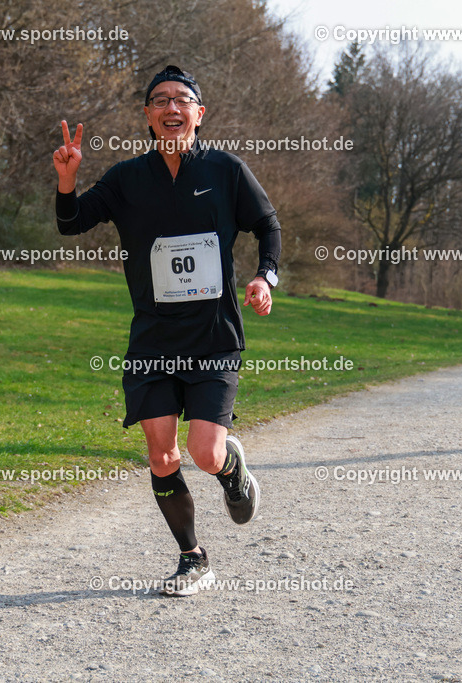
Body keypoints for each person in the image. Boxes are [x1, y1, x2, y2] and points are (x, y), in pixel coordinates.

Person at [52, 65, 281, 596]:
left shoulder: (226, 170)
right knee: (160, 455)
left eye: (182, 100)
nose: (171, 108)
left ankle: (229, 468)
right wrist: (67, 180)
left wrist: (264, 277)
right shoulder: (127, 178)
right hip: (153, 337)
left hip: (213, 336)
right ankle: (193, 557)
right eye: (160, 101)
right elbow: (71, 222)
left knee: (203, 452)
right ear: (149, 117)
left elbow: (267, 225)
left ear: (199, 115)